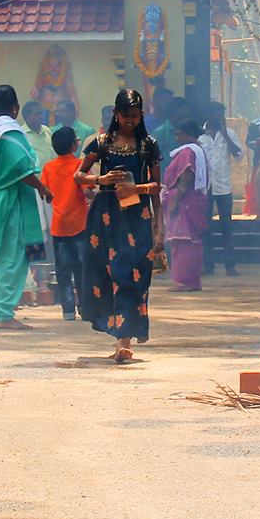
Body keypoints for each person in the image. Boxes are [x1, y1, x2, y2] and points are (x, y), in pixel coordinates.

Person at [77, 89, 159, 363]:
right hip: (106, 215)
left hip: (137, 215)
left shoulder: (148, 144)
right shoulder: (100, 143)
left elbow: (157, 186)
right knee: (108, 273)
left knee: (133, 273)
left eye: (135, 116)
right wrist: (103, 180)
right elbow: (78, 176)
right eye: (126, 116)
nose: (130, 121)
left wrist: (158, 222)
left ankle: (124, 338)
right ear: (115, 114)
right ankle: (120, 338)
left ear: (141, 116)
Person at [0, 86, 51, 325]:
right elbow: (21, 169)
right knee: (11, 257)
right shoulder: (9, 132)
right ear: (14, 108)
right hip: (10, 202)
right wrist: (43, 188)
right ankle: (5, 314)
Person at [41, 126, 87, 320]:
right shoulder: (80, 164)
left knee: (62, 270)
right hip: (79, 225)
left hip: (58, 226)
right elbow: (88, 189)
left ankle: (68, 309)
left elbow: (46, 194)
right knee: (82, 268)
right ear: (73, 145)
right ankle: (85, 308)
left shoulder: (49, 167)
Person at [159, 114, 208, 291]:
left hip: (185, 202)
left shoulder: (188, 152)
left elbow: (186, 177)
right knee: (190, 241)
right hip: (194, 200)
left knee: (184, 240)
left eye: (179, 134)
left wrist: (175, 201)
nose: (176, 138)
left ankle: (185, 281)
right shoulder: (198, 149)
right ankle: (190, 280)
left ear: (188, 134)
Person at [198, 107, 240, 276]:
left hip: (224, 187)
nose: (217, 117)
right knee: (206, 227)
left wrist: (225, 134)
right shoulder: (201, 136)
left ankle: (230, 264)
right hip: (206, 187)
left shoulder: (229, 133)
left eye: (220, 114)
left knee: (226, 226)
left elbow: (238, 154)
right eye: (215, 113)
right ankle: (209, 265)